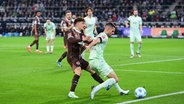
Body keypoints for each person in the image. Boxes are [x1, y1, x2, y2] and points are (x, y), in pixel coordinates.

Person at [85, 23, 129, 99]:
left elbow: (94, 41)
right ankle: (96, 88)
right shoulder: (104, 35)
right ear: (108, 29)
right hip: (98, 61)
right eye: (112, 31)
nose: (113, 33)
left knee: (111, 75)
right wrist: (89, 46)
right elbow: (97, 41)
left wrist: (88, 44)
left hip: (92, 61)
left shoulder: (99, 35)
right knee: (115, 79)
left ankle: (120, 91)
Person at [66, 18, 104, 98]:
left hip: (79, 57)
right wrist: (83, 39)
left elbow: (89, 42)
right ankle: (71, 92)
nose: (85, 25)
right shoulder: (70, 31)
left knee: (92, 70)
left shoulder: (82, 35)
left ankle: (104, 84)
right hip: (72, 56)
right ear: (77, 23)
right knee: (78, 71)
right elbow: (70, 40)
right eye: (83, 23)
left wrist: (98, 40)